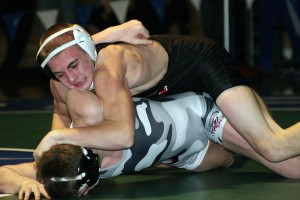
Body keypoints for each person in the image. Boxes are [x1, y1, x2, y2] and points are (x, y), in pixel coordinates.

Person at [34, 22, 300, 163]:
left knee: (274, 147)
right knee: (293, 170)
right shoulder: (66, 78)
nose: (72, 78)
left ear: (88, 51)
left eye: (73, 65)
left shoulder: (109, 67)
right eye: (60, 74)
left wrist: (58, 136)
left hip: (202, 66)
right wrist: (58, 151)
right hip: (181, 94)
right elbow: (61, 111)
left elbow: (123, 136)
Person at [1, 90, 300, 199]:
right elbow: (4, 174)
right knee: (228, 160)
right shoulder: (70, 165)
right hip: (186, 155)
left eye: (83, 193)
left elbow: (81, 71)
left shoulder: (91, 113)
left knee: (289, 167)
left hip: (203, 112)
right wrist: (22, 185)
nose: (88, 195)